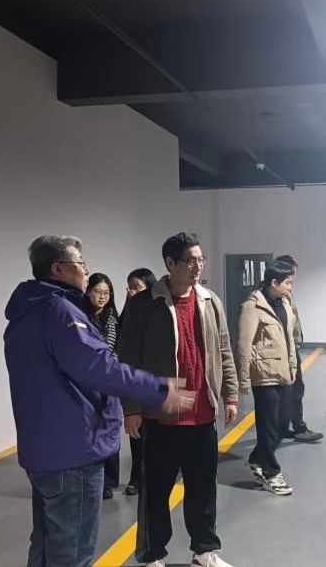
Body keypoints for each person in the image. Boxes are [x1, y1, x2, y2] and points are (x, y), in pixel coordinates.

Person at [4, 235, 194, 567]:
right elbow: (100, 368)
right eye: (80, 264)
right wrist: (159, 390)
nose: (86, 270)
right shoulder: (60, 313)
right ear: (58, 268)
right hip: (73, 450)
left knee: (46, 546)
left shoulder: (26, 313)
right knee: (73, 552)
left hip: (43, 450)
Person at [118, 232, 239, 567]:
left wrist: (230, 395)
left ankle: (204, 551)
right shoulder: (145, 305)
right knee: (155, 493)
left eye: (201, 260)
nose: (198, 267)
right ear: (170, 264)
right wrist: (132, 408)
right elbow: (128, 359)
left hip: (202, 415)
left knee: (203, 490)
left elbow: (224, 350)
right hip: (160, 417)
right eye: (190, 261)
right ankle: (152, 555)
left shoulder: (210, 302)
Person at [237, 261, 299, 495]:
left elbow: (289, 338)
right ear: (274, 282)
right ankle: (271, 472)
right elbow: (243, 345)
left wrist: (293, 366)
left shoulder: (285, 303)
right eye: (288, 283)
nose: (290, 287)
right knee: (268, 425)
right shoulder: (252, 307)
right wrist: (243, 379)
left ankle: (257, 458)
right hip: (263, 375)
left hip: (284, 373)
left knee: (281, 424)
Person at [275, 254, 324, 443]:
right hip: (286, 349)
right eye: (291, 275)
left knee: (289, 390)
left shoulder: (285, 293)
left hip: (291, 347)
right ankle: (299, 428)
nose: (293, 280)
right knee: (295, 389)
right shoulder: (278, 296)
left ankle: (282, 429)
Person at [83, 273, 122, 500]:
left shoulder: (112, 319)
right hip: (87, 384)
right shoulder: (80, 317)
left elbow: (114, 349)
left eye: (106, 293)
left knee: (109, 430)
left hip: (108, 381)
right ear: (88, 292)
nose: (102, 297)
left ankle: (108, 481)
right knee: (90, 431)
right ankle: (92, 479)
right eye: (98, 291)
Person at [120, 267, 158, 496]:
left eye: (137, 287)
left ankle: (156, 475)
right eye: (130, 288)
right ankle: (136, 478)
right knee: (136, 434)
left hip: (155, 381)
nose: (133, 292)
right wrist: (129, 304)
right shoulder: (131, 310)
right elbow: (123, 338)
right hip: (136, 383)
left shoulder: (158, 309)